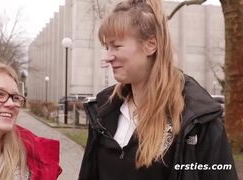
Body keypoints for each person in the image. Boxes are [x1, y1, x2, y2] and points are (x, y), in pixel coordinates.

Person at [79, 0, 238, 180]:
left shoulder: (197, 121)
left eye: (117, 46)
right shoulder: (103, 113)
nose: (108, 57)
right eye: (106, 47)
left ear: (151, 45)